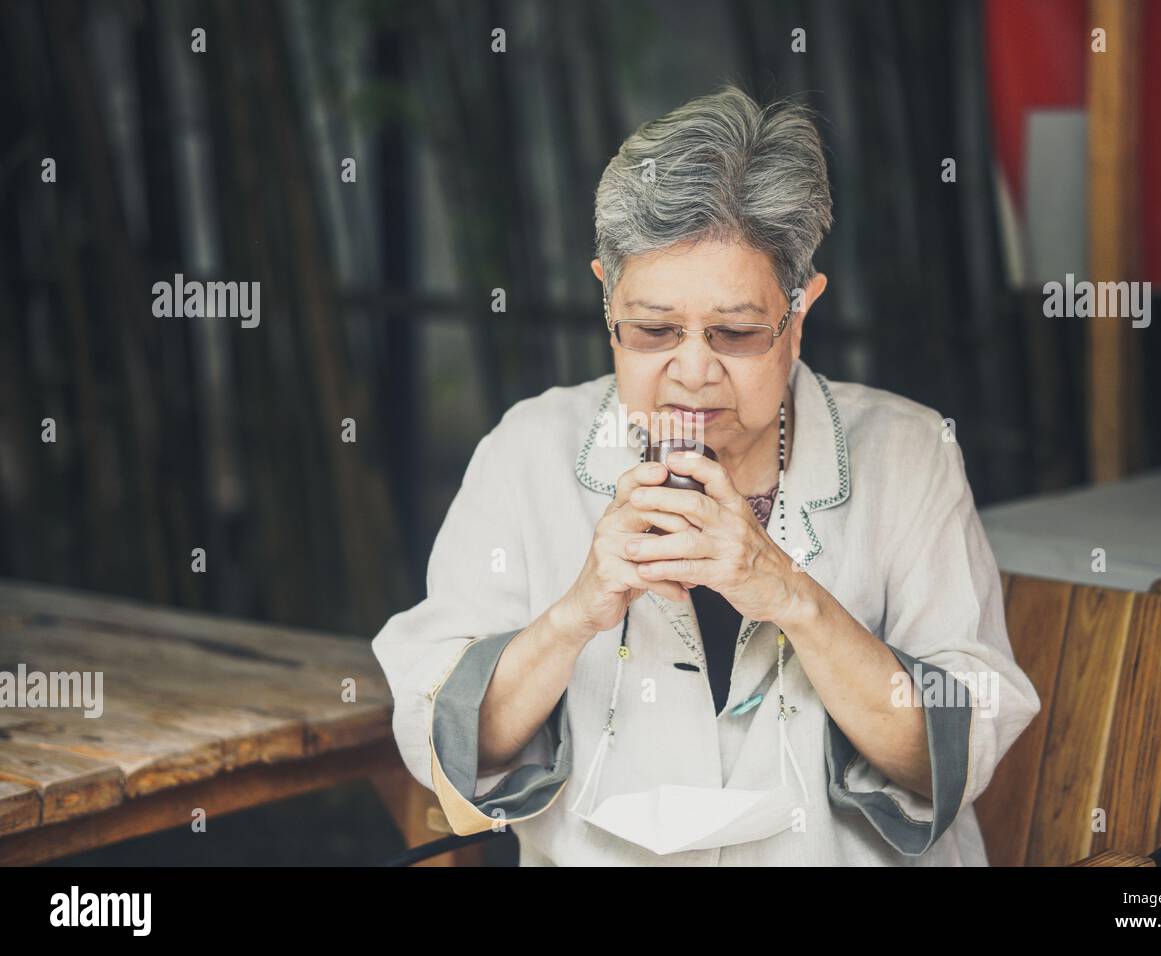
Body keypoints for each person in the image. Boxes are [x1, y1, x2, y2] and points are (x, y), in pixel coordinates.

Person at [371, 84, 1040, 865]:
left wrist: (789, 592)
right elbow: (444, 733)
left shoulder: (908, 452)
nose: (692, 372)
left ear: (801, 312)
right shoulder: (530, 451)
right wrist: (580, 610)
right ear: (604, 298)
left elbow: (948, 756)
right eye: (652, 330)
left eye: (737, 332)